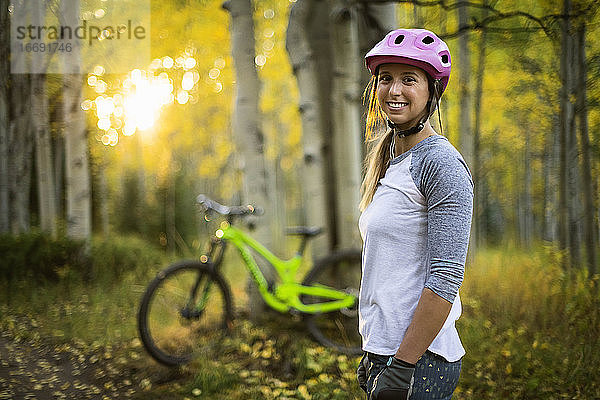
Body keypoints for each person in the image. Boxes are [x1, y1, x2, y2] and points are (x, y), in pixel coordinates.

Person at [356, 28, 473, 400]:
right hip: (388, 353)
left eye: (409, 79)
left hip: (421, 362)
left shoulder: (441, 163)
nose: (394, 91)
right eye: (386, 79)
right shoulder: (391, 158)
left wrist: (402, 366)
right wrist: (374, 351)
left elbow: (446, 277)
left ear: (431, 91)